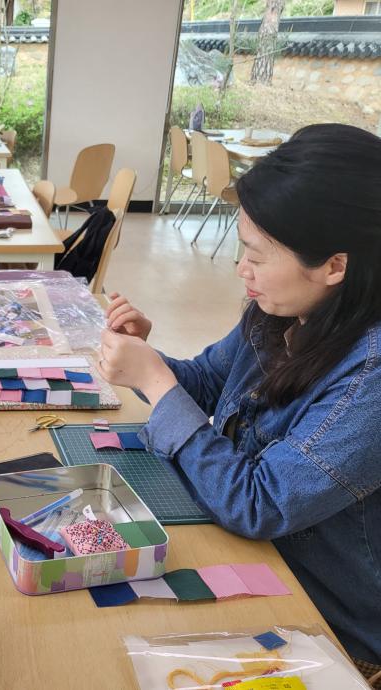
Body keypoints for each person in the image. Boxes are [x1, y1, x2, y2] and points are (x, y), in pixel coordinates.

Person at [98, 123, 381, 679]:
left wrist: (157, 384)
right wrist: (148, 360)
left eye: (256, 255)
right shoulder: (284, 310)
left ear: (336, 265)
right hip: (263, 560)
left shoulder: (370, 372)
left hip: (333, 624)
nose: (240, 270)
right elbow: (206, 381)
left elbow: (260, 503)